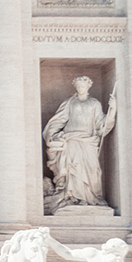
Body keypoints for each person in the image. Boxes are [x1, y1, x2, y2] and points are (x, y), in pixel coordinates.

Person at [42, 75, 116, 211]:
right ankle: (73, 198)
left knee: (92, 170)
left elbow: (101, 125)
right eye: (78, 86)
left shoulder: (94, 103)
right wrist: (52, 135)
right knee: (73, 169)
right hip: (71, 140)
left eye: (83, 86)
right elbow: (59, 120)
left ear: (88, 87)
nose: (81, 88)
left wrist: (112, 111)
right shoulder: (70, 102)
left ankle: (90, 198)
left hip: (88, 141)